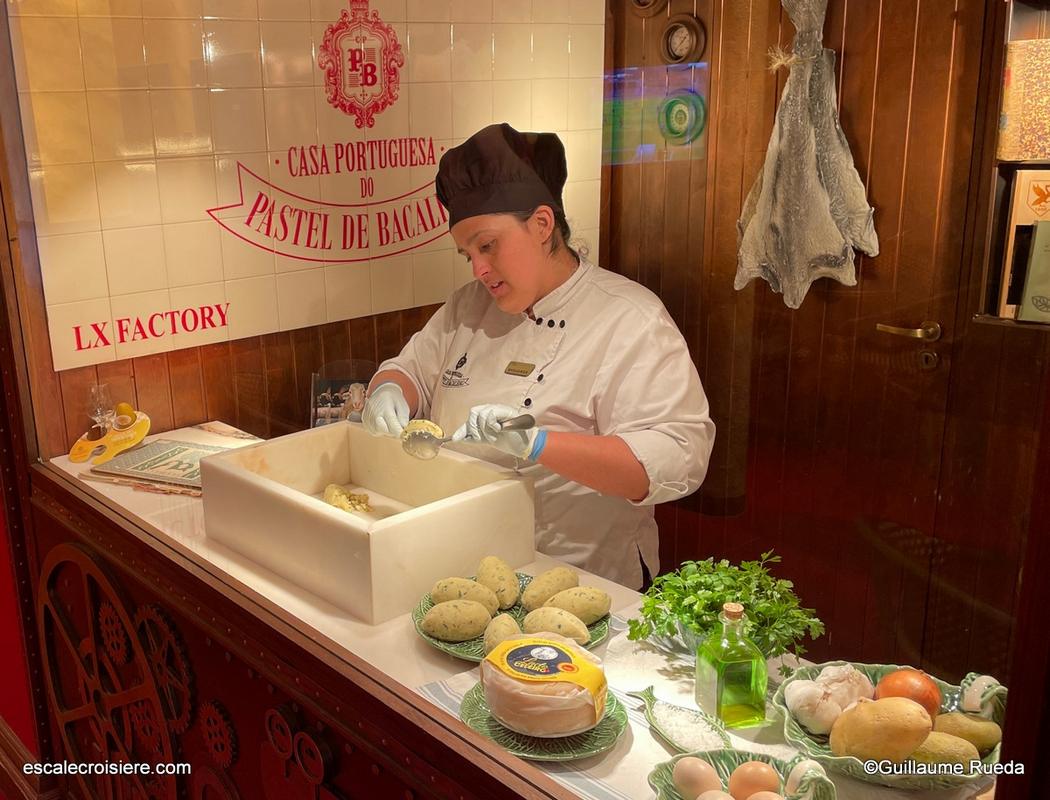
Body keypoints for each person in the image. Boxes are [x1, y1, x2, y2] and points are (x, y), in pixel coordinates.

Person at [362, 123, 714, 589]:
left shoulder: (630, 319)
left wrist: (539, 444)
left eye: (487, 245)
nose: (480, 269)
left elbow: (678, 457)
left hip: (583, 579)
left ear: (543, 225)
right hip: (466, 563)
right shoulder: (467, 307)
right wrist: (389, 391)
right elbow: (412, 370)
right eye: (467, 254)